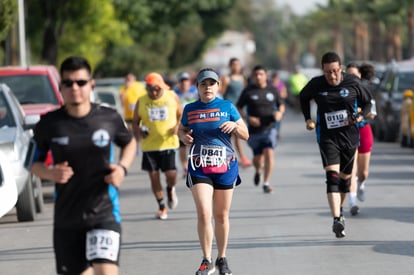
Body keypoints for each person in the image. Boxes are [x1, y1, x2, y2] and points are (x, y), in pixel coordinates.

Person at [30, 56, 137, 275]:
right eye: (68, 83)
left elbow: (129, 142)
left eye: (80, 82)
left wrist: (122, 168)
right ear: (61, 87)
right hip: (67, 218)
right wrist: (51, 173)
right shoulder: (50, 123)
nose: (74, 88)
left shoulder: (108, 118)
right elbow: (32, 163)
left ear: (91, 85)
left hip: (104, 212)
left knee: (106, 272)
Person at [178, 68, 249, 275]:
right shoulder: (190, 109)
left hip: (225, 167)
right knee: (204, 212)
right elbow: (180, 129)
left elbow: (245, 135)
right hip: (199, 166)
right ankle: (206, 259)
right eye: (203, 84)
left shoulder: (227, 107)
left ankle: (222, 258)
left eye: (211, 83)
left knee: (221, 215)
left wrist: (234, 127)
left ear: (218, 86)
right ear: (197, 87)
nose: (207, 87)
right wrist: (183, 137)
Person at [300, 52, 373, 238]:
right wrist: (308, 118)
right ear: (322, 70)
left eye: (334, 71)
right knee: (332, 177)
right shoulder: (316, 84)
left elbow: (367, 103)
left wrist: (361, 115)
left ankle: (339, 210)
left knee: (344, 181)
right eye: (327, 72)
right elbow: (303, 97)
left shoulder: (352, 82)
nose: (331, 76)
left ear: (340, 68)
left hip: (350, 137)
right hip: (327, 137)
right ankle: (337, 219)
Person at [132, 72, 182, 220]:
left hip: (169, 143)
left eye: (157, 89)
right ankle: (161, 206)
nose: (154, 92)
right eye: (150, 89)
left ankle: (170, 189)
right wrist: (139, 132)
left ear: (162, 87)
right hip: (149, 146)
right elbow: (135, 121)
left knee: (171, 175)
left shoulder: (172, 96)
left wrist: (177, 126)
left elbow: (181, 114)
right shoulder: (141, 101)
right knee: (154, 177)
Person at [237, 65, 285, 194]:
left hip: (270, 127)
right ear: (253, 76)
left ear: (265, 76)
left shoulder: (272, 89)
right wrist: (248, 118)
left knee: (269, 152)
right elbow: (239, 107)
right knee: (257, 159)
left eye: (261, 74)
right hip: (254, 130)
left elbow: (281, 105)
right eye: (256, 74)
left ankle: (266, 182)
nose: (258, 77)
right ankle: (258, 170)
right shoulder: (248, 91)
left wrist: (279, 113)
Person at [345, 63, 377, 215]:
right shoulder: (342, 91)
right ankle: (352, 202)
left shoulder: (366, 91)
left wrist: (361, 112)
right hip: (348, 132)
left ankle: (361, 183)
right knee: (351, 169)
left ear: (360, 75)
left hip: (363, 130)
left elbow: (372, 113)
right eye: (347, 74)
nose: (350, 77)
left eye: (354, 74)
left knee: (363, 172)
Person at [220, 57, 252, 168]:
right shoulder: (226, 79)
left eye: (238, 64)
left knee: (238, 133)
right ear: (230, 66)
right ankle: (234, 157)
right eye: (233, 64)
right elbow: (220, 94)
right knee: (229, 135)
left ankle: (240, 157)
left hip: (239, 110)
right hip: (228, 110)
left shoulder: (242, 78)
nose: (236, 67)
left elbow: (245, 94)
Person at [173, 71, 199, 178]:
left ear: (189, 81)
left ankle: (196, 166)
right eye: (181, 81)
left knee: (195, 146)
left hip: (194, 122)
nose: (184, 83)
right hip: (181, 124)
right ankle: (185, 168)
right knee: (182, 148)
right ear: (179, 82)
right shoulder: (174, 93)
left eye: (186, 80)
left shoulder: (195, 91)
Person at [271, 71, 288, 139]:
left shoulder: (281, 84)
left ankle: (276, 132)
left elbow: (285, 94)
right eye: (274, 78)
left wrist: (279, 94)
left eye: (276, 78)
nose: (275, 79)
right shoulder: (270, 84)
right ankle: (273, 131)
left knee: (278, 118)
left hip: (279, 103)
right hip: (272, 104)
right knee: (272, 118)